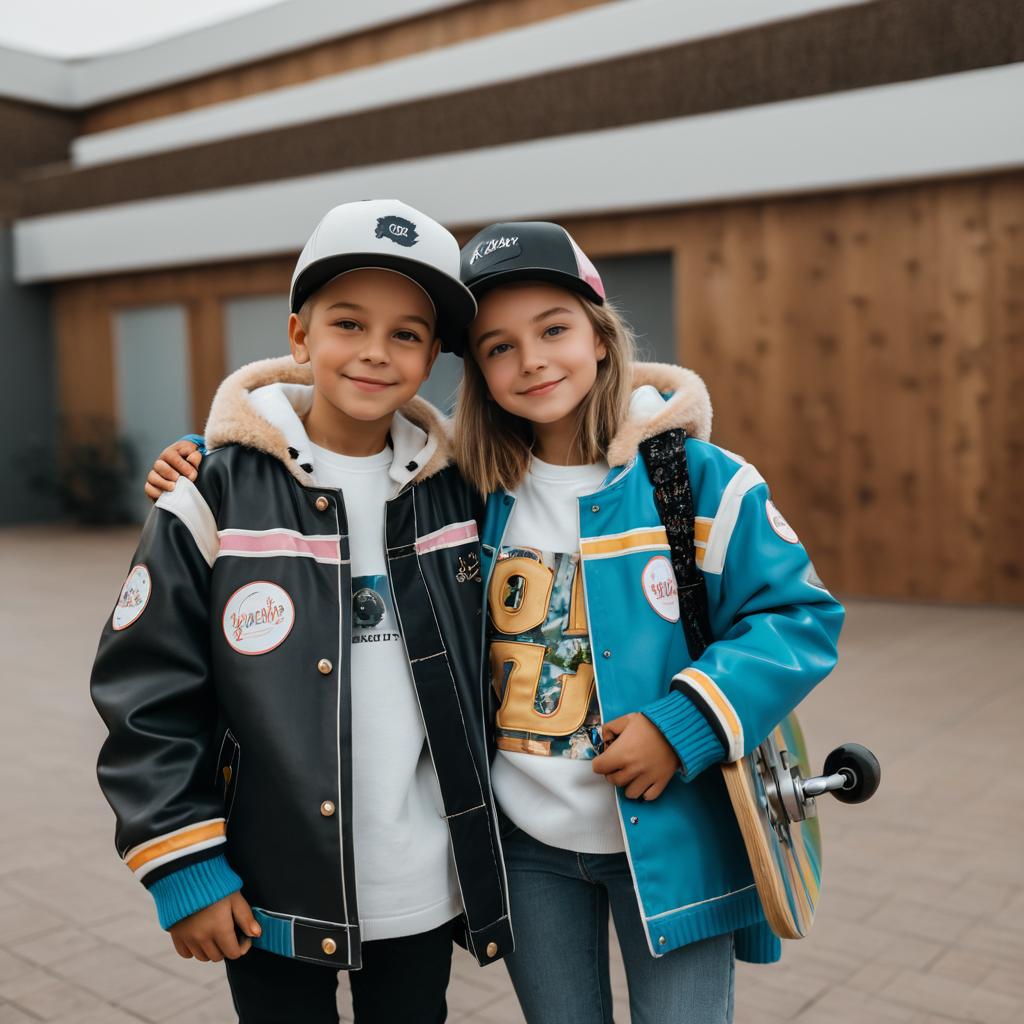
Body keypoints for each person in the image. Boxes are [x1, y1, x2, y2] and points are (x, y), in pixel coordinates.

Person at [148, 221, 844, 1023]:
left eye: (554, 330)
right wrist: (218, 453)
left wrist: (683, 722)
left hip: (675, 840)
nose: (534, 360)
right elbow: (338, 463)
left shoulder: (694, 479)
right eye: (499, 347)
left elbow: (799, 614)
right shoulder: (470, 489)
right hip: (526, 853)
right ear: (475, 369)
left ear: (602, 336)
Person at [91, 199, 512, 1024]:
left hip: (423, 883)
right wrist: (183, 867)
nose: (374, 353)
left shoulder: (462, 492)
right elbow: (146, 692)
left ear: (432, 356)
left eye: (406, 334)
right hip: (269, 883)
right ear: (298, 337)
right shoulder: (213, 492)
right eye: (348, 323)